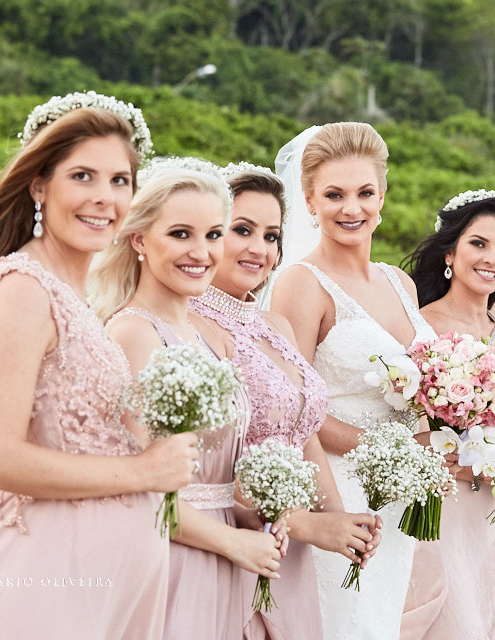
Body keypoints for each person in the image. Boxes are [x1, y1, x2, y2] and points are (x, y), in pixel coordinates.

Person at [0, 93, 197, 639]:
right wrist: (145, 472)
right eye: (83, 176)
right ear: (39, 184)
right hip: (45, 575)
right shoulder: (23, 289)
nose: (104, 198)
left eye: (119, 180)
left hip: (100, 579)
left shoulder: (72, 293)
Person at [90, 158, 287, 640]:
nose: (201, 252)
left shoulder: (204, 336)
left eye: (214, 235)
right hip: (170, 556)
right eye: (181, 234)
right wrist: (232, 542)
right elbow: (139, 487)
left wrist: (250, 512)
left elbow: (216, 464)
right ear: (139, 239)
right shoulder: (135, 332)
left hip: (223, 550)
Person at [190, 162, 381, 639]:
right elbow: (208, 467)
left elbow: (303, 431)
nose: (260, 248)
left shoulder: (275, 327)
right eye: (242, 230)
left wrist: (337, 518)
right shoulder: (187, 326)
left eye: (272, 235)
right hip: (228, 542)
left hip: (286, 551)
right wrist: (307, 526)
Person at [270, 122, 437, 640]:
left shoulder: (400, 282)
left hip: (400, 491)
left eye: (365, 193)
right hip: (336, 488)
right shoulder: (300, 283)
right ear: (310, 201)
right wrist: (384, 449)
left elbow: (425, 389)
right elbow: (293, 406)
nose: (352, 208)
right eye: (335, 195)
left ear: (382, 197)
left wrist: (439, 436)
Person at [403, 189, 495, 640]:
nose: (492, 258)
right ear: (451, 250)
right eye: (478, 243)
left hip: (486, 516)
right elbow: (404, 430)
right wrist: (471, 468)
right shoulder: (419, 327)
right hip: (436, 509)